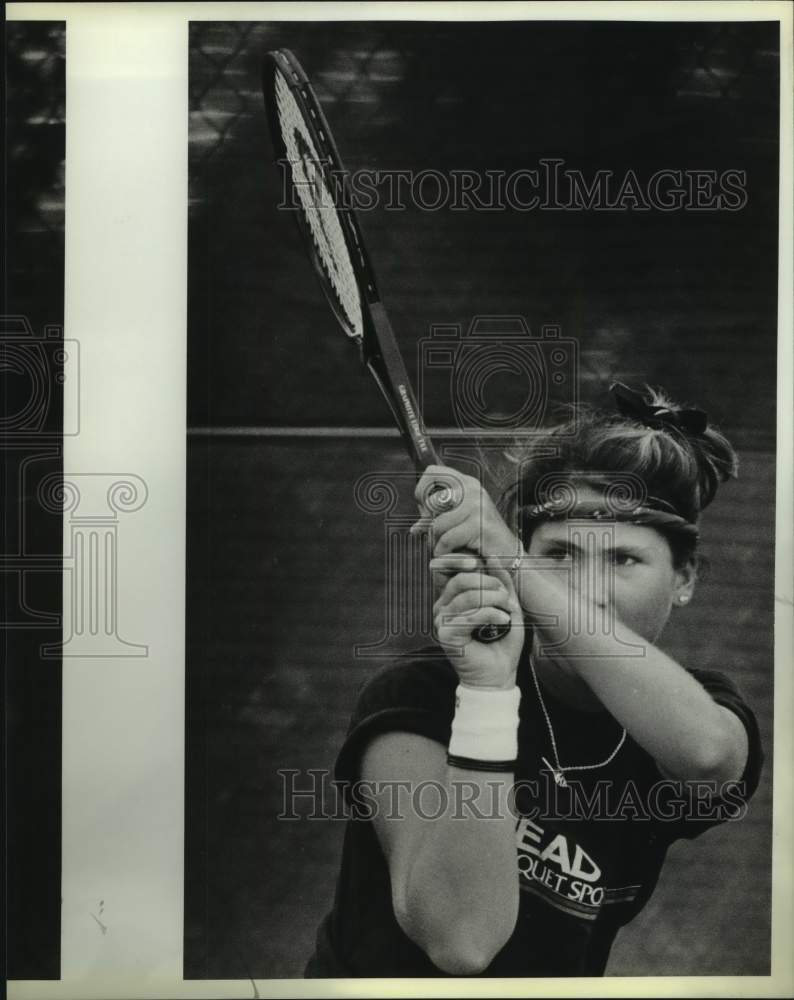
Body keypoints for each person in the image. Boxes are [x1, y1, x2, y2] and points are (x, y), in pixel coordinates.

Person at [304, 382, 763, 978]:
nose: (587, 591)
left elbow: (708, 755)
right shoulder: (421, 692)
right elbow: (463, 941)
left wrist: (515, 559)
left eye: (623, 559)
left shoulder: (696, 711)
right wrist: (488, 696)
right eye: (560, 555)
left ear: (685, 578)